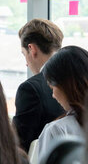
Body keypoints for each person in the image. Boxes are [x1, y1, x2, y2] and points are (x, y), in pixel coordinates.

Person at [14, 19, 65, 151]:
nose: (26, 63)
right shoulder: (76, 79)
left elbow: (19, 145)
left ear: (32, 49)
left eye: (24, 54)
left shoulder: (30, 89)